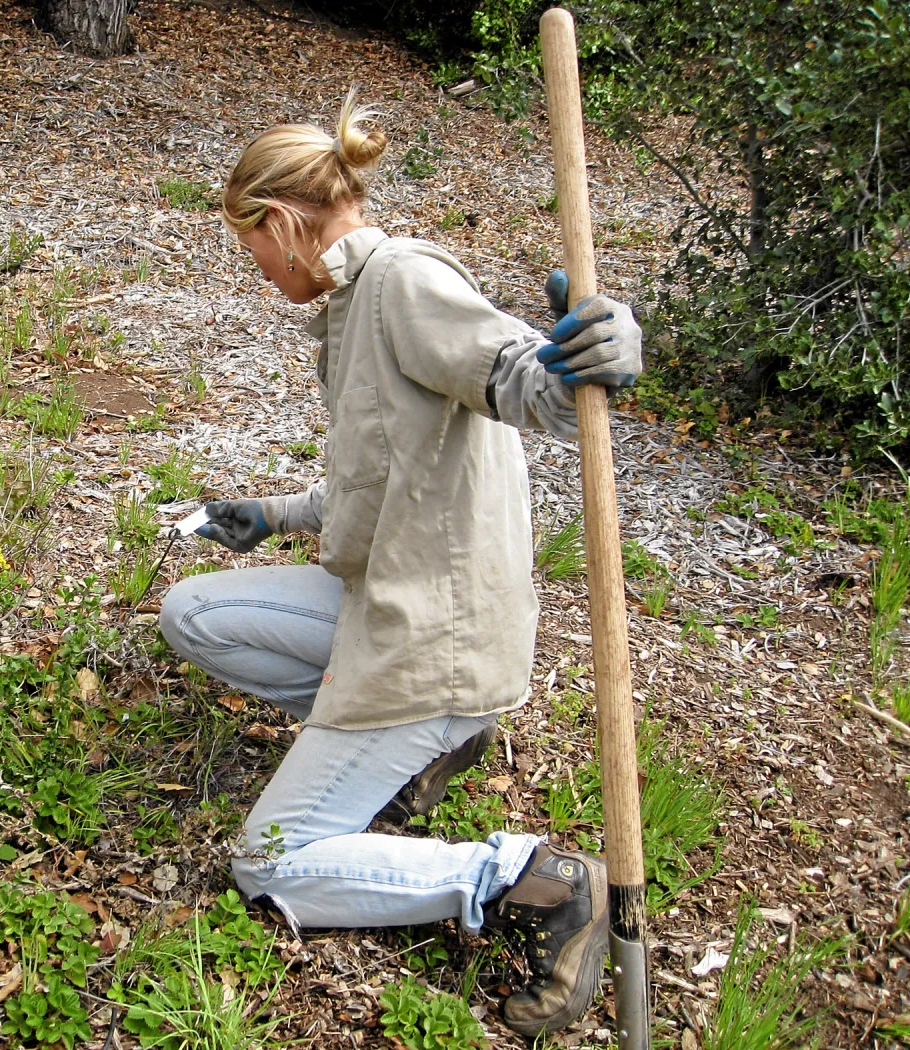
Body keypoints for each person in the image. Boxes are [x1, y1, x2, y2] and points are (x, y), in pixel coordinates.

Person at [158, 92, 644, 1038]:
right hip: (387, 601)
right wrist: (270, 513)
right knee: (194, 612)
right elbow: (381, 482)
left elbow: (522, 382)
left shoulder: (403, 280)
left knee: (272, 860)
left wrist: (597, 352)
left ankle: (535, 882)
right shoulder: (352, 300)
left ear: (283, 222)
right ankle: (408, 755)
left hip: (436, 639)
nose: (255, 270)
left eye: (249, 246)